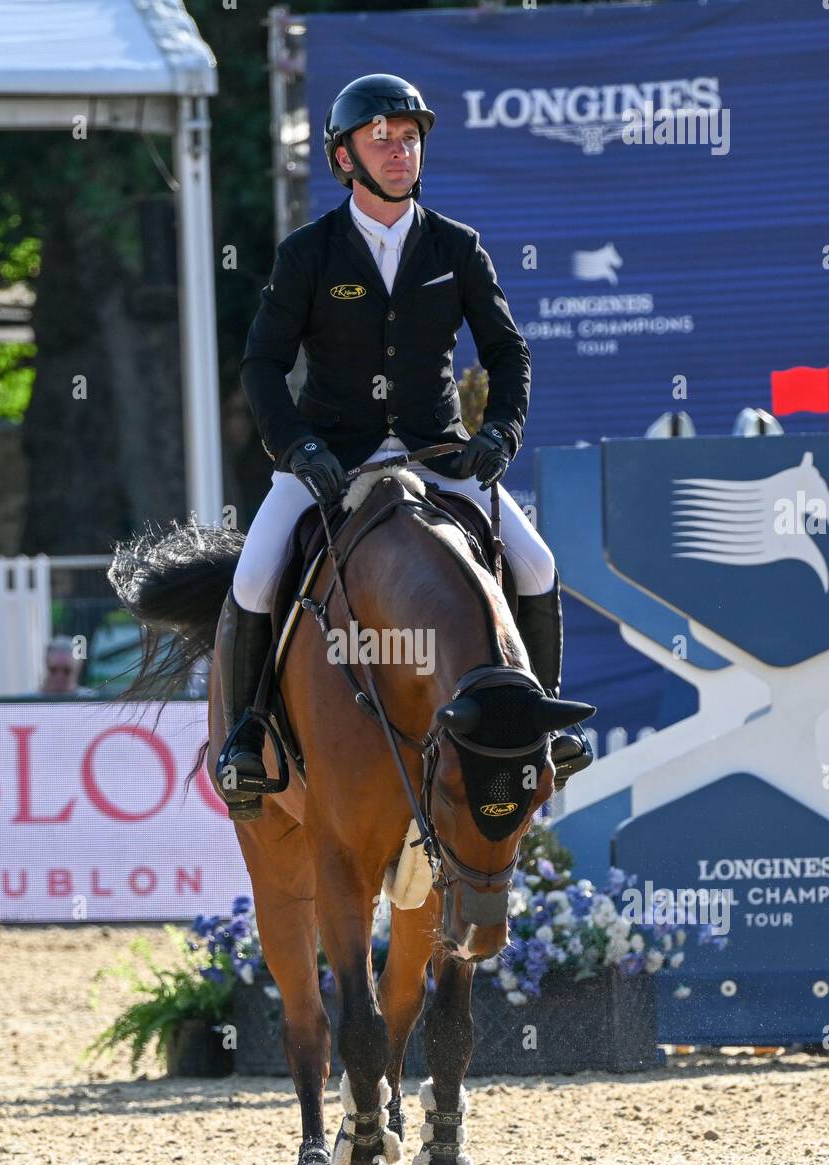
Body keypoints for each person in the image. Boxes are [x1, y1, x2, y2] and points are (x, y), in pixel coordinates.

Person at [218, 73, 591, 816]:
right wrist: (296, 448)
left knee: (538, 563)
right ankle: (246, 736)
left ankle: (541, 726)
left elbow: (509, 351)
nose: (399, 152)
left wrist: (500, 434)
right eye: (381, 140)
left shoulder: (457, 246)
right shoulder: (309, 253)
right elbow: (261, 362)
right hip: (332, 459)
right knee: (257, 576)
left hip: (436, 456)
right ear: (344, 157)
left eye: (409, 139)